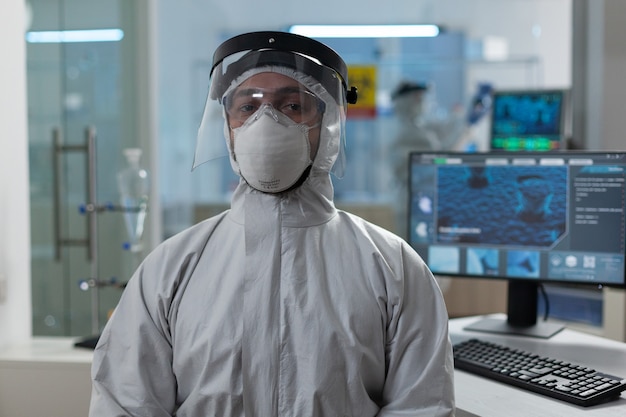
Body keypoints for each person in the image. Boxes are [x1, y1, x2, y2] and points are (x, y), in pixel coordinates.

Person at [89, 31, 455, 417]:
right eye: (248, 108)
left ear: (328, 125)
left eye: (292, 105)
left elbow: (421, 407)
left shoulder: (393, 267)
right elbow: (126, 404)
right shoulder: (171, 269)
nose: (267, 122)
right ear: (227, 126)